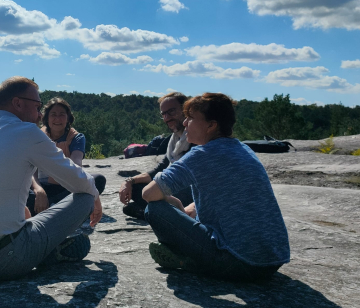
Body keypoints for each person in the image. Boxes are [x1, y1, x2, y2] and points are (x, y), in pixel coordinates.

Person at [0, 77, 102, 280]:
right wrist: (95, 197)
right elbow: (78, 180)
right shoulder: (27, 132)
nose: (40, 114)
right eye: (37, 106)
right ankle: (47, 252)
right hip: (4, 261)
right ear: (17, 103)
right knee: (86, 196)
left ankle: (43, 249)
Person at [142, 93, 290, 281]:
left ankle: (189, 261)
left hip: (238, 262)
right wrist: (187, 210)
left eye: (191, 118)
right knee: (182, 209)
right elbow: (223, 194)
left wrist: (173, 200)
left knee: (154, 209)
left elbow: (149, 193)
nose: (185, 123)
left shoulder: (202, 154)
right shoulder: (242, 149)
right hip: (271, 262)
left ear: (211, 125)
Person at [119, 92, 194, 220]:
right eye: (163, 114)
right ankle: (158, 212)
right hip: (174, 188)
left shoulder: (196, 138)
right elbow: (160, 169)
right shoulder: (175, 141)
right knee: (137, 189)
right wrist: (129, 181)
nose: (167, 118)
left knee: (148, 193)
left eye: (171, 111)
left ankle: (157, 213)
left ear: (185, 110)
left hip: (191, 192)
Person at [27, 97, 106, 216]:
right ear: (46, 118)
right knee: (23, 193)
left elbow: (75, 165)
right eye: (53, 114)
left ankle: (51, 207)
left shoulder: (77, 138)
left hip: (67, 186)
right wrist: (39, 190)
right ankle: (62, 208)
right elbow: (31, 169)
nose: (57, 119)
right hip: (42, 186)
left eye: (62, 114)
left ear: (68, 118)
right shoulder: (38, 136)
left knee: (98, 180)